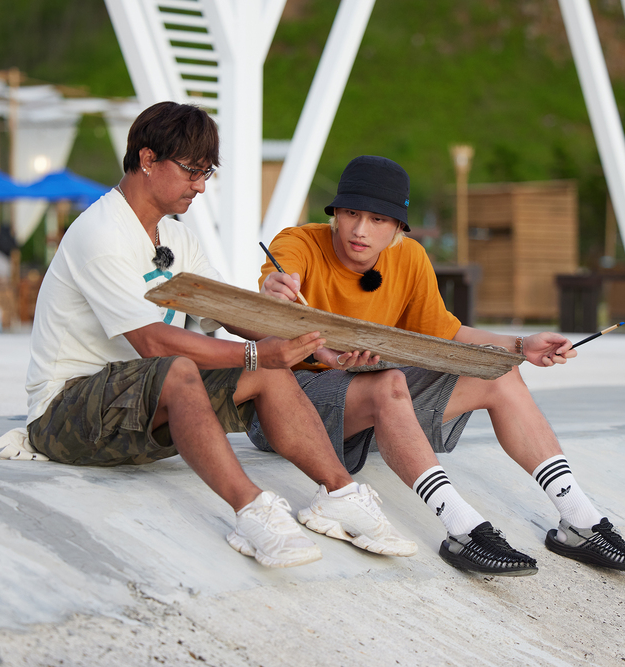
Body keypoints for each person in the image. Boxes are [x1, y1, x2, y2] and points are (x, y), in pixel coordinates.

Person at [23, 107, 416, 569]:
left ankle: (340, 493)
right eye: (192, 171)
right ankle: (253, 510)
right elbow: (153, 344)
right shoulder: (100, 231)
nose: (201, 186)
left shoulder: (174, 236)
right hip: (66, 414)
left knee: (266, 375)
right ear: (147, 159)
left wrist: (316, 348)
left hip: (136, 406)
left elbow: (227, 312)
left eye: (207, 172)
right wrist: (257, 353)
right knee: (183, 366)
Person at [254, 155, 625, 576]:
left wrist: (521, 346)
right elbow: (273, 306)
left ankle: (581, 521)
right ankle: (462, 528)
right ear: (335, 212)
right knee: (387, 381)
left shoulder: (409, 259)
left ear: (397, 228)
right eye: (351, 213)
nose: (359, 229)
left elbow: (445, 334)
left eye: (377, 219)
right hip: (290, 413)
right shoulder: (297, 243)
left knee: (497, 369)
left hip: (366, 409)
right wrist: (274, 292)